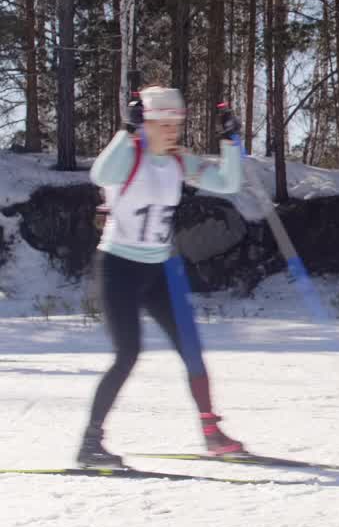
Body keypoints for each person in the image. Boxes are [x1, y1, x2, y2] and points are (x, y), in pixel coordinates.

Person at [77, 86, 247, 467]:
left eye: (177, 123)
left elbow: (228, 183)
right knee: (127, 354)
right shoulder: (129, 156)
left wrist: (230, 142)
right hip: (119, 266)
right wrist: (126, 130)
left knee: (191, 348)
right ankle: (90, 444)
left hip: (158, 269)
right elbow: (99, 173)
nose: (172, 131)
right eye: (164, 123)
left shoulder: (177, 161)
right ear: (147, 122)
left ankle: (211, 433)